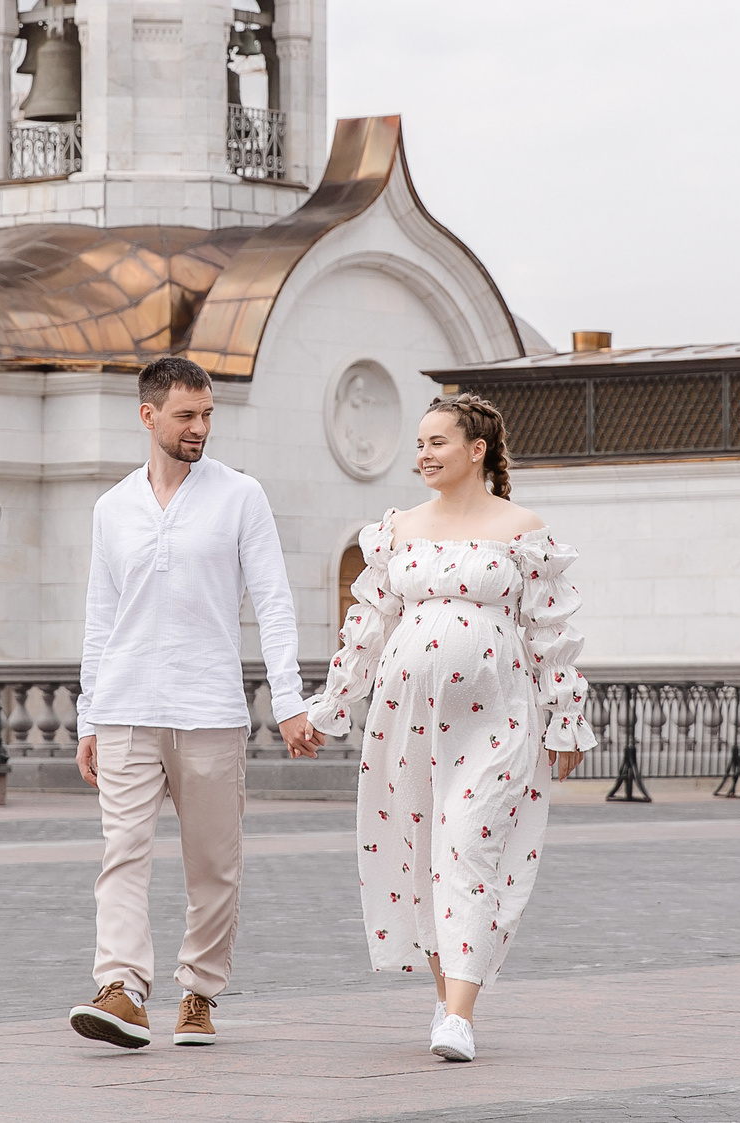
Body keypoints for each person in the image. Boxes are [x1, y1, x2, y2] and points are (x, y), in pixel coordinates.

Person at [303, 393, 596, 1063]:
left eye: (437, 441)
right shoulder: (398, 528)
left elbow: (551, 633)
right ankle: (447, 993)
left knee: (467, 846)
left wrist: (567, 720)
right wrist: (331, 707)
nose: (423, 454)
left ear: (476, 450)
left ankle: (459, 1016)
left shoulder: (521, 527)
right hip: (402, 722)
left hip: (495, 719)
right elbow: (368, 627)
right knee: (419, 853)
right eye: (419, 443)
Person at [67, 355, 323, 1051]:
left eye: (207, 414)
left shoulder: (240, 495)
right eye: (186, 414)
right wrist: (89, 714)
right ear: (147, 414)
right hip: (124, 706)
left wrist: (291, 700)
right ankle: (121, 986)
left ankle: (200, 990)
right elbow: (100, 614)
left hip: (209, 708)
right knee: (122, 852)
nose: (200, 427)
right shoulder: (112, 506)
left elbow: (272, 601)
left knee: (212, 862)